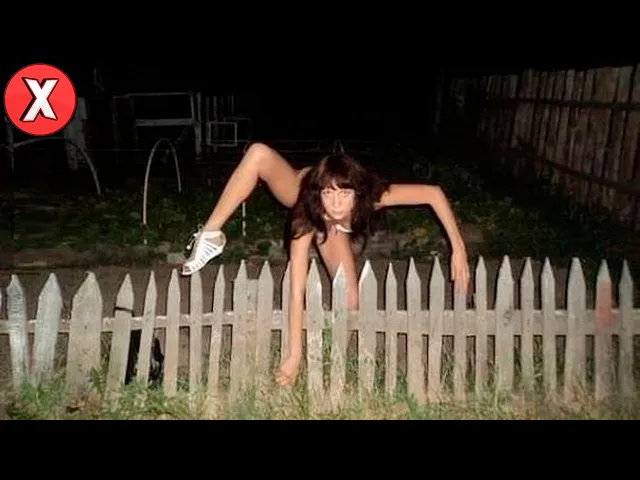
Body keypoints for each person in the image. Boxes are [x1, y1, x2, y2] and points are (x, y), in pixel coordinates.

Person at [181, 142, 469, 386]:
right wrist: (294, 356)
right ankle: (211, 233)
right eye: (329, 194)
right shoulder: (305, 216)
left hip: (332, 229)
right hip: (299, 189)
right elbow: (297, 293)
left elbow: (433, 193)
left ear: (357, 193)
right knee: (257, 152)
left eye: (344, 194)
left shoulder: (373, 195)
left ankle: (335, 358)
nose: (337, 203)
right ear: (320, 194)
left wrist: (458, 248)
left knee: (351, 298)